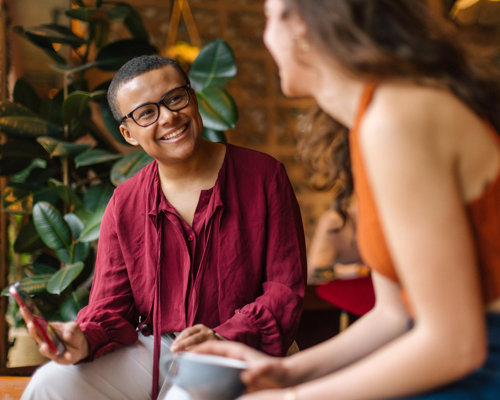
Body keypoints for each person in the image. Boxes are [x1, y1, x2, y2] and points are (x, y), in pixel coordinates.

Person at [194, 0, 500, 399]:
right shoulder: (371, 120)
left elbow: (456, 345)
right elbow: (393, 313)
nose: (265, 37)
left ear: (302, 27)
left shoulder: (396, 117)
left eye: (268, 18)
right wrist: (287, 372)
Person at [20, 55, 306, 400]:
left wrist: (224, 337)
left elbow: (284, 291)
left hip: (240, 351)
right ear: (128, 133)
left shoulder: (264, 175)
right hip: (157, 349)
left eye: (174, 99)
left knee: (186, 396)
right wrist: (83, 338)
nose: (169, 117)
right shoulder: (124, 202)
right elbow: (110, 308)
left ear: (193, 98)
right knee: (50, 382)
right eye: (146, 113)